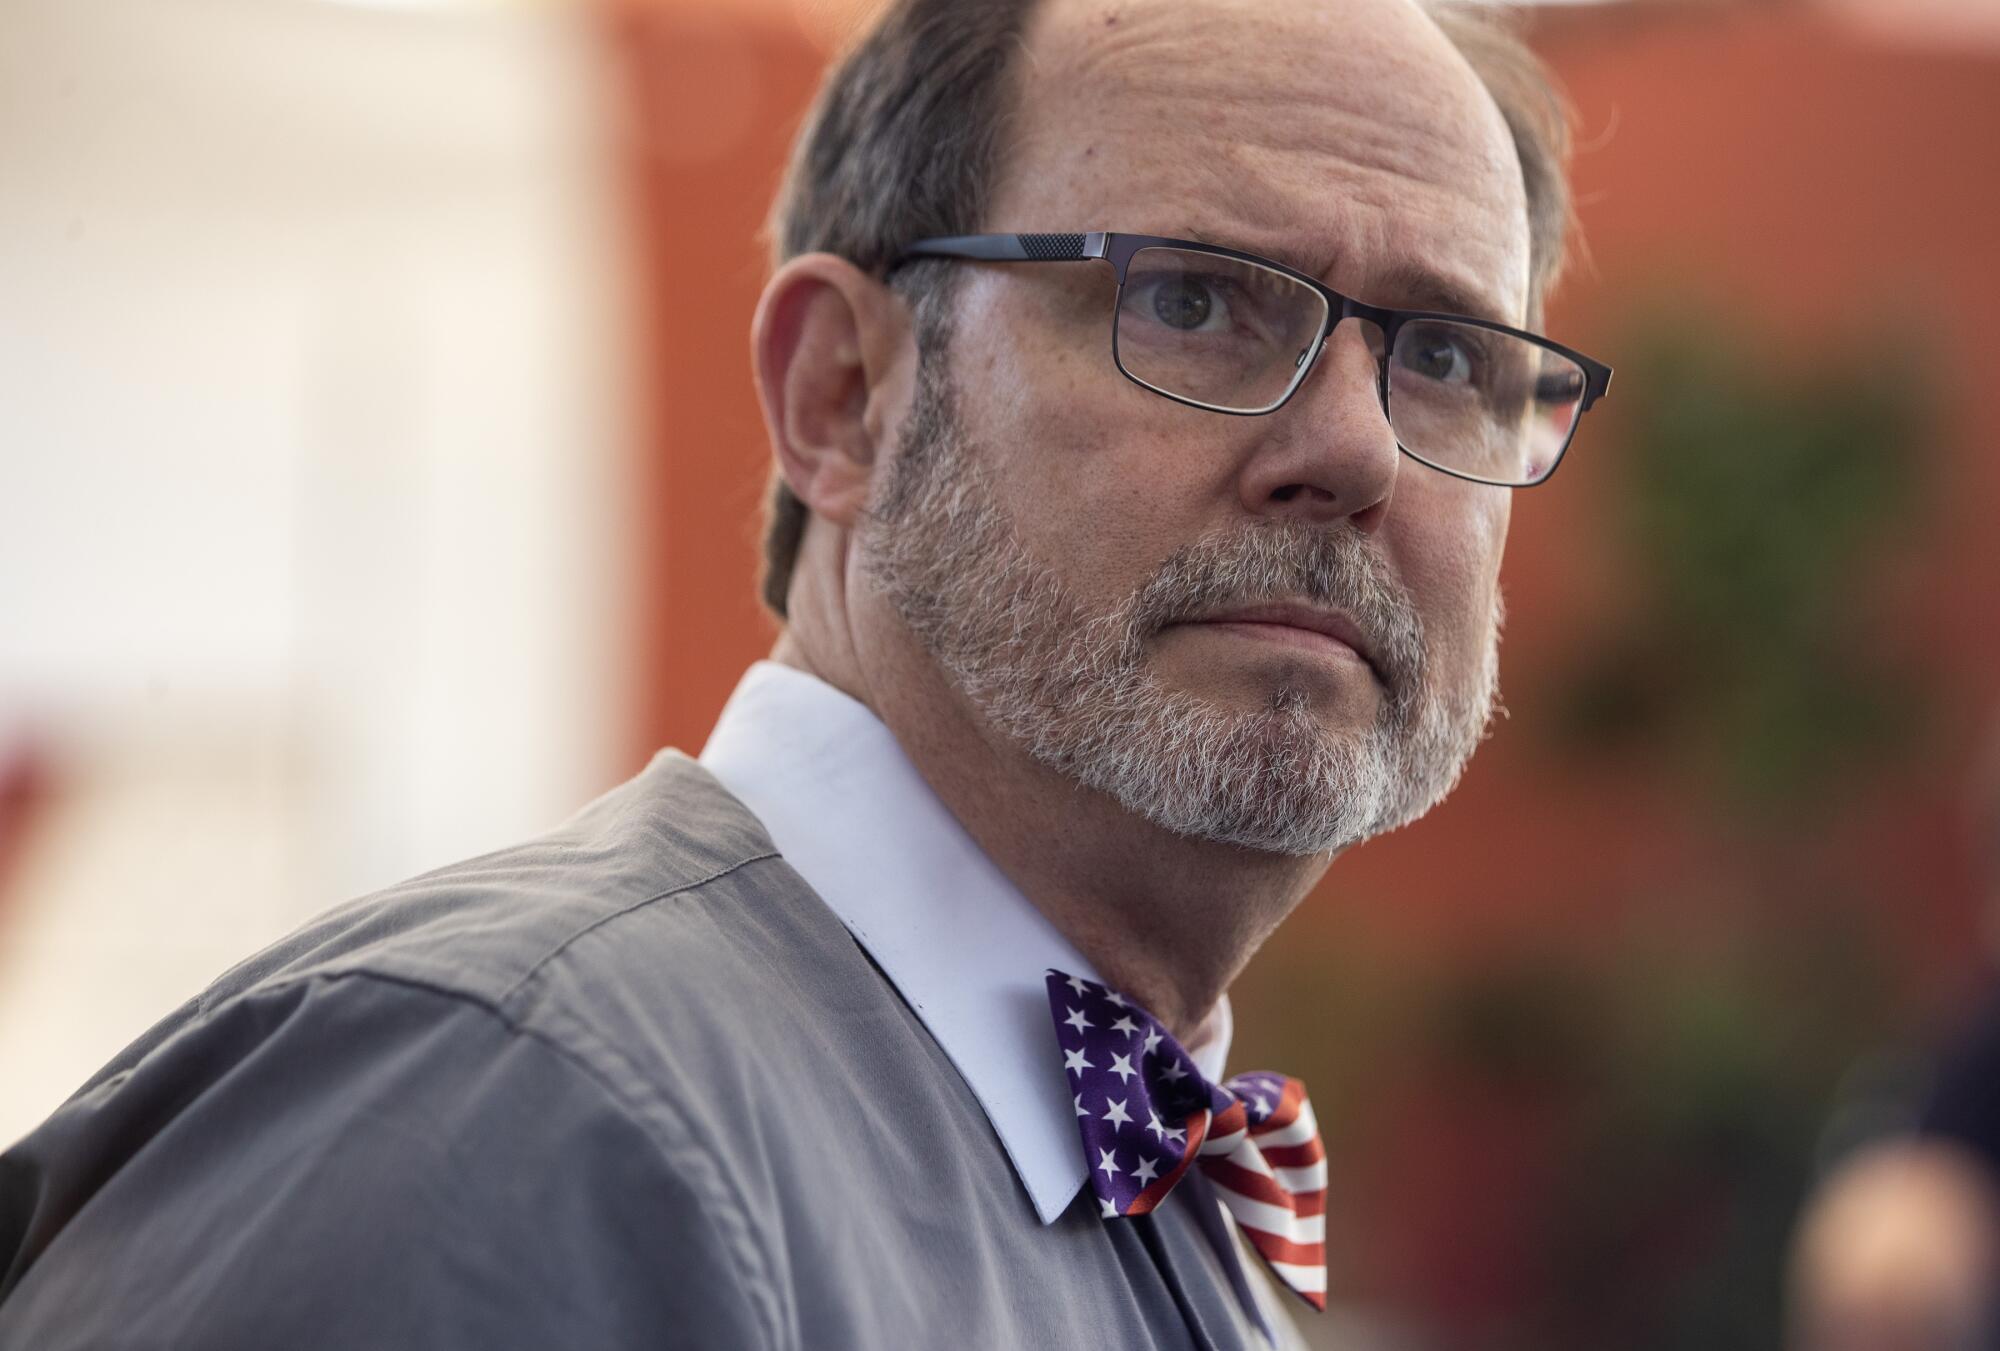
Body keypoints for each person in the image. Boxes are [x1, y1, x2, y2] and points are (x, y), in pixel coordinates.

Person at [0, 0, 1610, 1345]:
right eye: (1191, 302)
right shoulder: (510, 1106)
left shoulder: (1137, 1176)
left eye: (1452, 357)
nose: (1350, 451)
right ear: (844, 396)